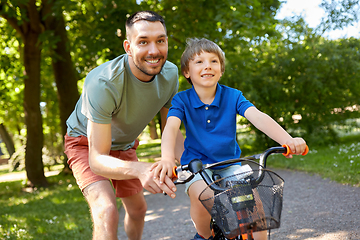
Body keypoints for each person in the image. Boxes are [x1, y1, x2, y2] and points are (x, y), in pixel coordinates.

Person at [152, 38, 307, 240]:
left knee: (253, 202)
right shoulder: (181, 100)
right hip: (198, 166)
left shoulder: (233, 96)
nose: (207, 65)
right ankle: (205, 235)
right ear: (187, 72)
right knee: (202, 196)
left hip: (230, 163)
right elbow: (171, 127)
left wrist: (288, 140)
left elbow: (258, 117)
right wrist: (166, 158)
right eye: (199, 62)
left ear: (221, 70)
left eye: (213, 61)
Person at [64, 11, 184, 240]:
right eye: (143, 42)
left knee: (138, 210)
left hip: (124, 145)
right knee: (106, 210)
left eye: (160, 40)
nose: (154, 50)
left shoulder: (170, 75)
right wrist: (141, 169)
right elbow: (97, 159)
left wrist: (198, 161)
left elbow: (171, 130)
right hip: (85, 144)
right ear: (128, 47)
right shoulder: (103, 82)